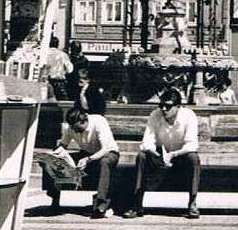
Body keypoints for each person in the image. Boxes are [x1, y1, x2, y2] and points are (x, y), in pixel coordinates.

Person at [122, 88, 201, 219]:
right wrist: (154, 153)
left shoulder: (189, 115)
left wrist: (174, 154)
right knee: (141, 156)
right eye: (161, 105)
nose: (164, 109)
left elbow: (192, 145)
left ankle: (192, 203)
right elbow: (146, 141)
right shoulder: (155, 115)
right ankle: (137, 204)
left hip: (179, 156)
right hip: (158, 155)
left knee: (193, 158)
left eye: (168, 106)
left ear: (178, 107)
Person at [49, 107, 120, 219]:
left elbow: (104, 149)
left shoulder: (98, 121)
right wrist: (57, 153)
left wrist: (88, 159)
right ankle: (54, 199)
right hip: (86, 153)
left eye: (78, 129)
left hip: (108, 153)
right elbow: (63, 144)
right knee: (53, 162)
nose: (75, 131)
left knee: (104, 162)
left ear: (84, 121)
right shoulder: (71, 126)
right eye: (73, 128)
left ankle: (101, 204)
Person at [43, 36, 73, 101]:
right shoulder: (63, 55)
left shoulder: (43, 54)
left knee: (45, 104)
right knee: (62, 103)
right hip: (60, 82)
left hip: (46, 82)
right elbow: (70, 69)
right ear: (57, 44)